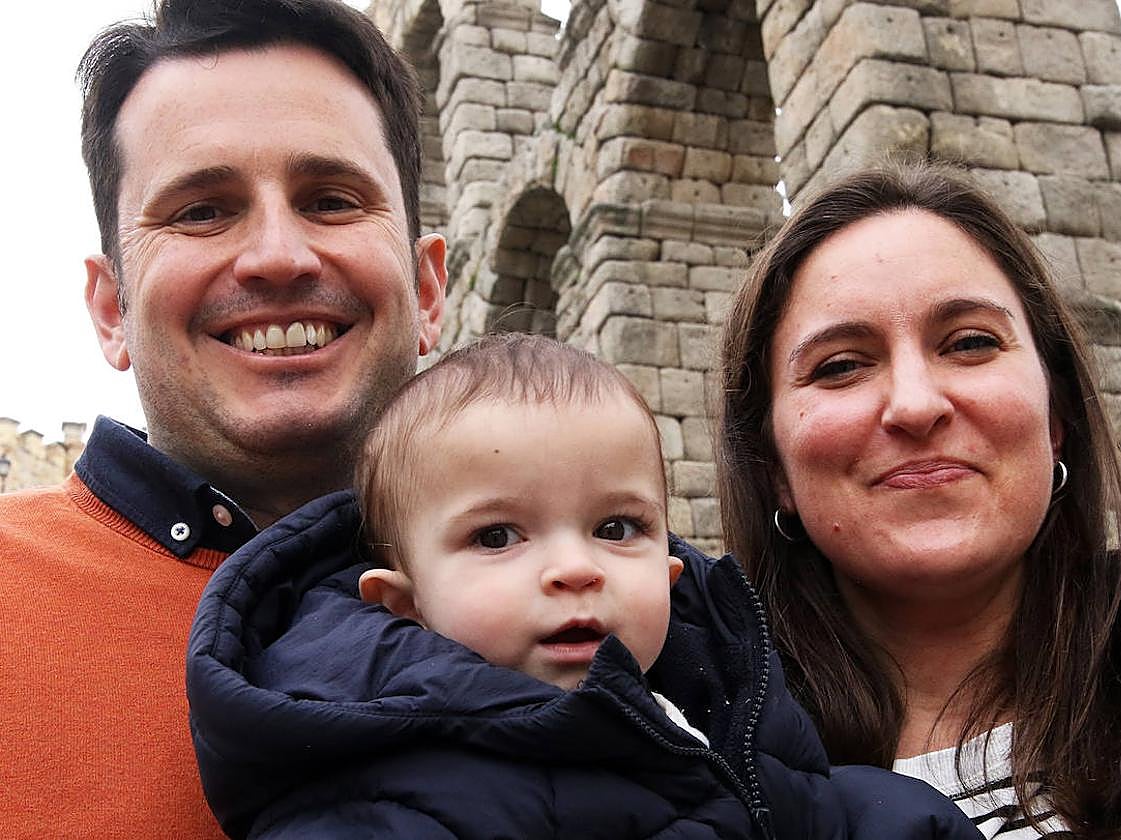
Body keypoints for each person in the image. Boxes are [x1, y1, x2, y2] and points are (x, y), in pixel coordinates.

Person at [187, 333, 981, 840]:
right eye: (497, 536)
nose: (575, 567)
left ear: (670, 576)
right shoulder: (374, 795)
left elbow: (826, 811)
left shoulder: (719, 718)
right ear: (405, 604)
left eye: (617, 528)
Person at [0, 0, 446, 835]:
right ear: (111, 308)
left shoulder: (622, 598)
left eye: (332, 200)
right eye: (201, 211)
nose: (278, 255)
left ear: (427, 290)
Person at [715, 161, 1121, 839]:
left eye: (971, 342)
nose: (915, 405)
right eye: (841, 365)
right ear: (772, 467)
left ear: (1056, 417)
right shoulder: (664, 762)